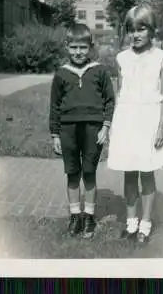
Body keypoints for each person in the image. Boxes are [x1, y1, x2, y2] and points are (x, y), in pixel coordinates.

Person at [107, 3, 163, 244]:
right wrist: (115, 124)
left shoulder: (162, 58)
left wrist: (161, 128)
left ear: (152, 30)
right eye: (131, 29)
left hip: (150, 120)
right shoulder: (121, 58)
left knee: (146, 173)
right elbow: (120, 93)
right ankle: (131, 221)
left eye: (141, 29)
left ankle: (145, 224)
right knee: (129, 172)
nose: (135, 35)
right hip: (127, 120)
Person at [49, 23, 115, 238]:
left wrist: (105, 126)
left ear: (90, 47)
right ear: (67, 47)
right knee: (72, 173)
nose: (78, 52)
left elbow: (109, 101)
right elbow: (55, 106)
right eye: (74, 47)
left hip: (93, 128)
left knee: (89, 172)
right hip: (68, 129)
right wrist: (55, 134)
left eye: (83, 48)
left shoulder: (99, 71)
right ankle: (75, 216)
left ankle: (89, 217)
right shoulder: (61, 74)